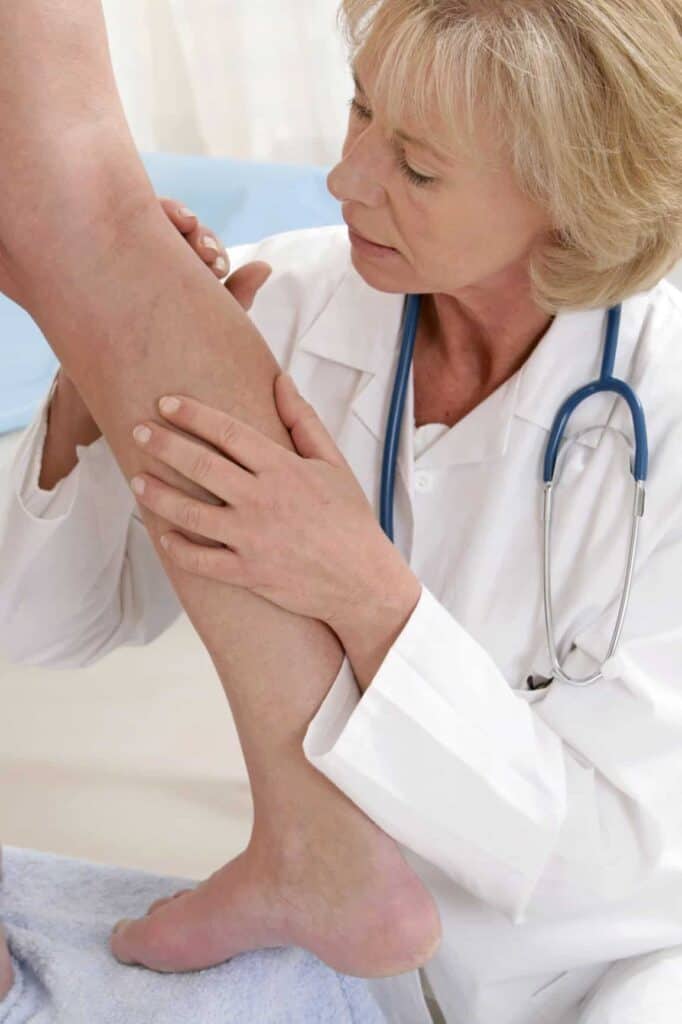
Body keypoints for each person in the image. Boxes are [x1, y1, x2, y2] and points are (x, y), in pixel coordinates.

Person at [1, 1, 681, 1023]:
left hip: (615, 969)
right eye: (358, 111)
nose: (344, 179)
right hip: (352, 974)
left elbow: (612, 856)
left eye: (414, 166)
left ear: (570, 198)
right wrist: (92, 387)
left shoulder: (659, 411)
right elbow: (49, 625)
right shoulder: (294, 304)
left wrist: (364, 592)